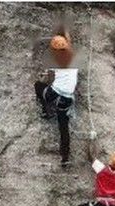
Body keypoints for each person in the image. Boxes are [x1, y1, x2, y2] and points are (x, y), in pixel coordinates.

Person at [34, 31, 77, 166]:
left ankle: (46, 111)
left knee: (38, 86)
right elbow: (69, 44)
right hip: (66, 99)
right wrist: (66, 32)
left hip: (54, 93)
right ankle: (65, 157)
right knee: (63, 128)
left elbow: (50, 72)